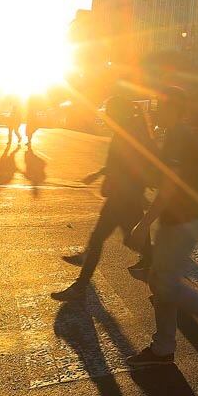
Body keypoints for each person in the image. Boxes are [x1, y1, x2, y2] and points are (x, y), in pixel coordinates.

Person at [126, 88, 198, 368]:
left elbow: (169, 186)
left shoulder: (177, 136)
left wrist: (144, 223)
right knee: (159, 279)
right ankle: (163, 347)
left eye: (159, 106)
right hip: (184, 217)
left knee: (164, 282)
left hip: (181, 219)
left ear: (173, 108)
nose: (153, 111)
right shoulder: (181, 135)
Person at [52, 97, 154, 301]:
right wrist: (99, 174)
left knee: (126, 240)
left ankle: (162, 273)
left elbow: (133, 165)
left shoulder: (130, 132)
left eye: (109, 111)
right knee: (117, 239)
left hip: (125, 196)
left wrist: (128, 189)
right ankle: (82, 281)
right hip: (122, 195)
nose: (106, 115)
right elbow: (119, 163)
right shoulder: (127, 130)